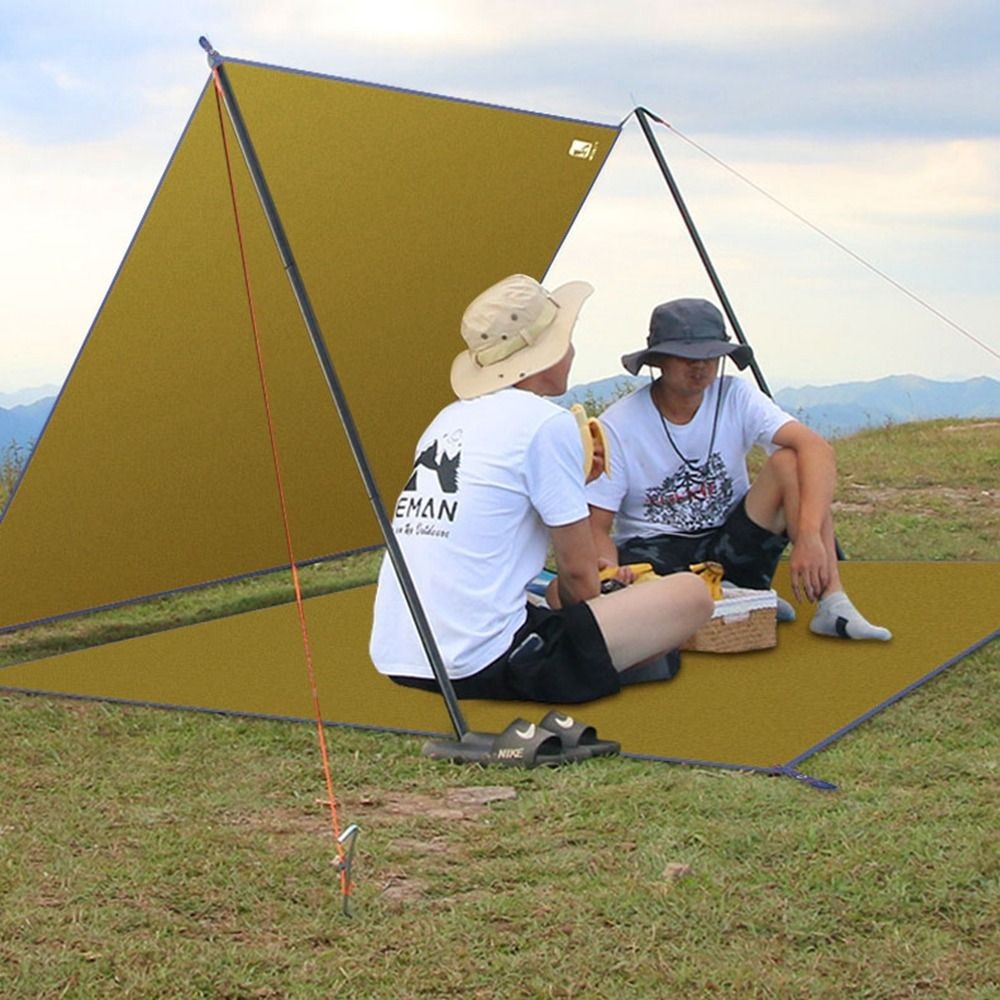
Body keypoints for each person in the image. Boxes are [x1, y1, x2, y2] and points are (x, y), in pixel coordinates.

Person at [369, 274, 713, 703]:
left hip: (400, 656)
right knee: (690, 595)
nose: (571, 351)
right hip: (480, 663)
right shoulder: (546, 424)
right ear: (546, 354)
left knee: (556, 596)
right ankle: (617, 662)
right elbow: (578, 577)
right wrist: (605, 611)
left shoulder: (447, 419)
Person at [586, 297, 892, 642]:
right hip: (658, 555)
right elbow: (597, 525)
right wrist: (610, 572)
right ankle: (736, 601)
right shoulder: (619, 424)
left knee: (790, 461)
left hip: (730, 543)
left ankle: (832, 603)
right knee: (654, 593)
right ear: (658, 360)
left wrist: (807, 537)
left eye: (710, 356)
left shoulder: (735, 394)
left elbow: (816, 448)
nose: (700, 367)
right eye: (686, 357)